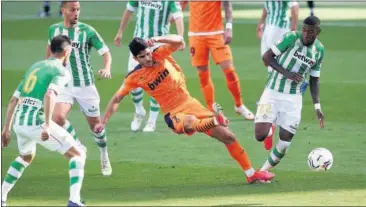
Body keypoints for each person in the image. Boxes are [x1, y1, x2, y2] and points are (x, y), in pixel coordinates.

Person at [95, 34, 275, 184]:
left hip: (190, 103)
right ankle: (214, 120)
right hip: (173, 114)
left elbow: (179, 40)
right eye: (142, 56)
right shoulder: (134, 76)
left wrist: (158, 39)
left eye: (148, 53)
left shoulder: (160, 53)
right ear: (136, 59)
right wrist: (103, 121)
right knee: (190, 122)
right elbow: (117, 98)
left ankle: (251, 173)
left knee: (228, 137)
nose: (147, 58)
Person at [1, 35, 86, 207]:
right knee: (78, 154)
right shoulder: (62, 71)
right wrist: (47, 124)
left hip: (19, 123)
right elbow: (49, 95)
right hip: (36, 122)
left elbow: (13, 100)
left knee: (26, 156)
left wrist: (6, 129)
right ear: (67, 51)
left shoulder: (35, 66)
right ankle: (74, 201)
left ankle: (1, 197)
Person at [46, 1, 113, 176]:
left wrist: (106, 68)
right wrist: (47, 73)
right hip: (64, 85)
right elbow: (50, 52)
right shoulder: (53, 30)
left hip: (85, 86)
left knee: (96, 127)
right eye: (72, 10)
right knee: (57, 118)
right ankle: (78, 145)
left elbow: (105, 52)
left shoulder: (87, 31)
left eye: (78, 10)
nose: (76, 13)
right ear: (63, 10)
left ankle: (104, 153)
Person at [255, 16, 325, 175]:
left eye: (311, 32)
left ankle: (262, 172)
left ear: (317, 32)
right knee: (260, 136)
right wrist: (287, 73)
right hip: (272, 92)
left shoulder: (319, 51)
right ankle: (270, 128)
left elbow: (315, 80)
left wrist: (317, 106)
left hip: (293, 100)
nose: (306, 34)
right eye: (305, 30)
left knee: (285, 142)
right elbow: (266, 57)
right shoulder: (291, 38)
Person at [114, 1, 184, 132]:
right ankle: (139, 110)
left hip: (157, 45)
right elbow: (129, 9)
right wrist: (120, 31)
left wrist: (180, 37)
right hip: (138, 45)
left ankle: (152, 121)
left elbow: (178, 16)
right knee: (133, 80)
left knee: (157, 82)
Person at [180, 1, 254, 120]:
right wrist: (169, 18)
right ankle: (211, 109)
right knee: (203, 75)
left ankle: (239, 105)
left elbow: (227, 5)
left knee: (230, 71)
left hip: (217, 34)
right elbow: (180, 5)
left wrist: (229, 27)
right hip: (196, 35)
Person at [256, 0, 299, 150]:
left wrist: (293, 30)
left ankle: (269, 103)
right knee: (270, 63)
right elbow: (268, 6)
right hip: (273, 28)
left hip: (276, 28)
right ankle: (271, 103)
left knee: (271, 63)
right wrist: (262, 22)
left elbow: (293, 7)